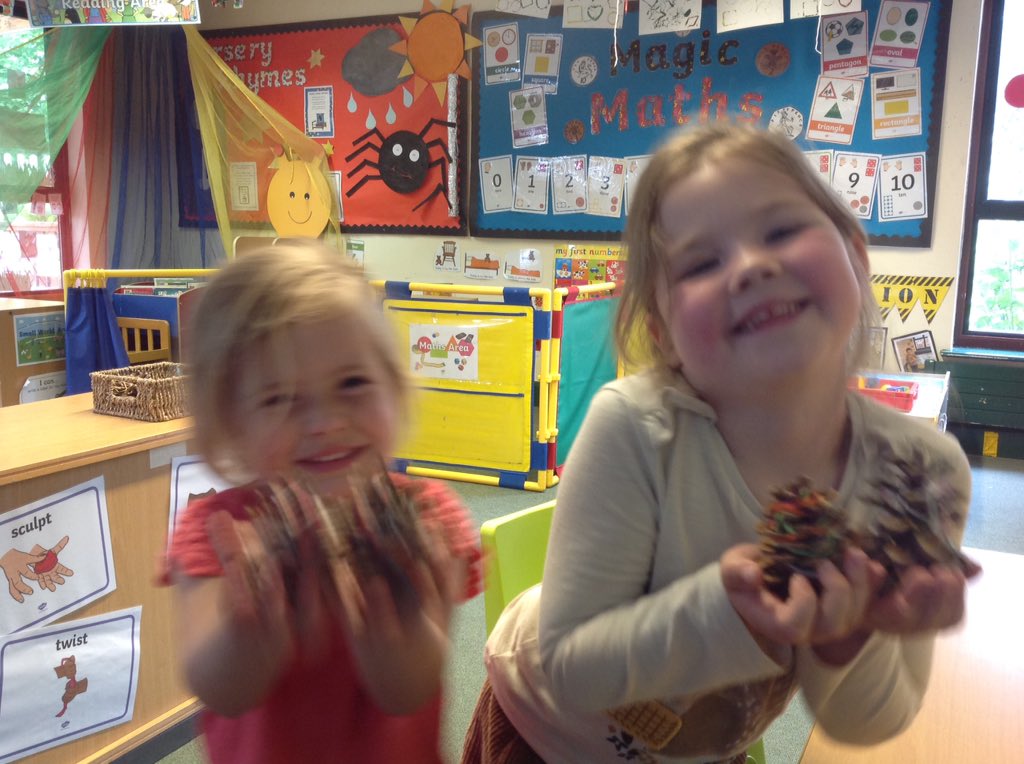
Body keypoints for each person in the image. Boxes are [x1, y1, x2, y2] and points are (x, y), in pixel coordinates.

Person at [462, 125, 978, 764]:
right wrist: (731, 612)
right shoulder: (637, 429)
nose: (753, 266)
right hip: (548, 731)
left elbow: (871, 722)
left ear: (856, 254)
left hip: (707, 745)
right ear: (663, 331)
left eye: (783, 230)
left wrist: (850, 637)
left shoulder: (916, 472)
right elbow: (572, 666)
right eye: (701, 263)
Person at [163, 242, 480, 763]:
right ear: (232, 425)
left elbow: (408, 690)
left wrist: (394, 621)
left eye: (352, 383)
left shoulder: (430, 518)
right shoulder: (217, 531)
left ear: (394, 390)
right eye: (279, 399)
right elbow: (217, 689)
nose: (325, 422)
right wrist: (251, 633)